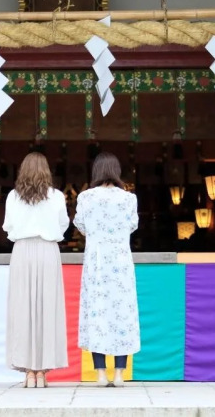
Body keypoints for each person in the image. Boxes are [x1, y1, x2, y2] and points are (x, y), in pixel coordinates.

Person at [3, 152, 70, 388]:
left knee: (23, 309)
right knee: (47, 309)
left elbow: (8, 227)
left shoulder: (13, 196)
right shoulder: (56, 196)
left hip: (22, 251)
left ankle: (29, 372)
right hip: (48, 251)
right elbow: (63, 225)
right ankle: (42, 371)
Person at [73, 152, 140, 387]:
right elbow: (132, 226)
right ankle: (120, 373)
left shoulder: (85, 197)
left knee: (97, 314)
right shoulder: (129, 199)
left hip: (96, 263)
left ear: (96, 172)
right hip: (121, 262)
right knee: (123, 314)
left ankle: (100, 373)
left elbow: (81, 226)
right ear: (117, 171)